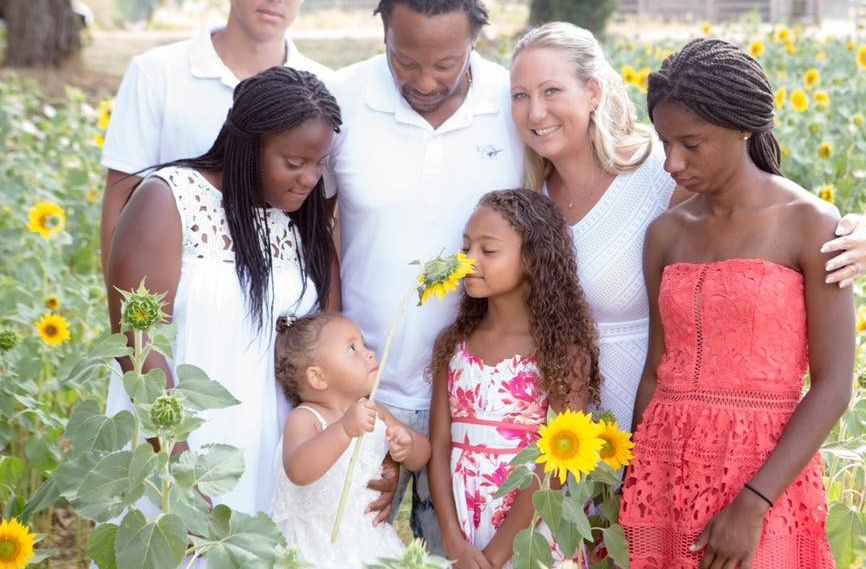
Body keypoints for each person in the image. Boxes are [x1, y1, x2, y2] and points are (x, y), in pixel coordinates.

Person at [509, 22, 866, 430]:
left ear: (592, 92)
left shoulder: (658, 168)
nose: (535, 111)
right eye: (520, 95)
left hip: (649, 417)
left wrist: (852, 230)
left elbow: (759, 197)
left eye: (551, 90)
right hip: (554, 431)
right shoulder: (525, 195)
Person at [619, 38, 854, 567]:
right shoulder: (666, 234)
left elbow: (835, 383)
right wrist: (632, 477)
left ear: (743, 125)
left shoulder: (811, 223)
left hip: (764, 473)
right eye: (665, 142)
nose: (672, 162)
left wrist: (754, 503)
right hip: (664, 466)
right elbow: (657, 372)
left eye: (691, 144)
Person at [324, 0, 525, 547]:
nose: (427, 80)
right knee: (347, 550)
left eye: (446, 62)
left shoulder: (514, 105)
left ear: (476, 40)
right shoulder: (344, 99)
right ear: (382, 32)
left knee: (463, 554)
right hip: (365, 390)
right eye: (405, 60)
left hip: (477, 394)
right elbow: (317, 235)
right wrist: (341, 386)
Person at [106, 66, 342, 515]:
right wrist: (184, 477)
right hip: (181, 447)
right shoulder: (169, 200)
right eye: (293, 163)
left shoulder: (302, 221)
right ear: (248, 144)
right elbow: (138, 349)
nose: (310, 179)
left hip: (279, 455)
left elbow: (330, 348)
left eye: (320, 163)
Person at [100, 0, 331, 274]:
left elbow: (326, 222)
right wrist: (129, 321)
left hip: (286, 312)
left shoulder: (325, 91)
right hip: (177, 304)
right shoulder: (156, 74)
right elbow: (121, 202)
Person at [428, 189, 602, 569]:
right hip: (466, 528)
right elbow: (439, 446)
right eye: (466, 247)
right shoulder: (453, 345)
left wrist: (494, 557)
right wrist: (455, 543)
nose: (468, 260)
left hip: (531, 531)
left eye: (488, 251)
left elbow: (555, 467)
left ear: (532, 259)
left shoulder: (564, 355)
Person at [272, 312, 431, 568]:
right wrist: (344, 430)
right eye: (352, 349)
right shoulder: (305, 419)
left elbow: (423, 454)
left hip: (368, 542)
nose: (369, 353)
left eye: (364, 343)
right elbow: (298, 470)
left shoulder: (376, 411)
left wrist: (408, 444)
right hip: (316, 547)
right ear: (318, 377)